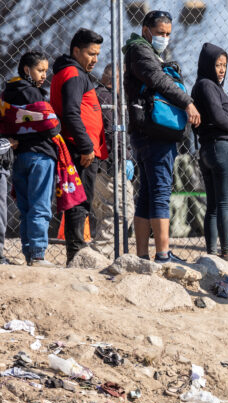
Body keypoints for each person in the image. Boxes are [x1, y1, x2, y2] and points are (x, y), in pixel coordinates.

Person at [123, 10, 201, 263]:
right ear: (145, 30)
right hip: (154, 133)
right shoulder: (140, 51)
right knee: (160, 191)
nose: (164, 38)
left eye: (168, 34)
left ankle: (142, 255)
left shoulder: (144, 52)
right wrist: (187, 102)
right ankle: (163, 254)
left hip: (147, 132)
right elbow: (157, 79)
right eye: (160, 33)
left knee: (147, 193)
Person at [2, 51, 85, 267]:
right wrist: (50, 120)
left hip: (19, 157)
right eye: (40, 70)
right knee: (40, 206)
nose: (44, 76)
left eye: (46, 71)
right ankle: (38, 255)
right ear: (26, 69)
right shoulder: (33, 93)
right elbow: (52, 125)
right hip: (41, 156)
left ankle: (29, 252)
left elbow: (9, 123)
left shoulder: (7, 95)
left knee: (25, 209)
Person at [50, 28, 108, 264]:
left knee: (81, 199)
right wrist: (86, 147)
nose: (95, 59)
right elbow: (71, 113)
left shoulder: (75, 72)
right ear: (76, 51)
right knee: (79, 201)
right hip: (79, 149)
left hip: (81, 147)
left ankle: (77, 250)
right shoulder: (73, 73)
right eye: (91, 54)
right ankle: (76, 253)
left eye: (97, 54)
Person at [191, 43, 228, 262]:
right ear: (207, 64)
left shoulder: (200, 85)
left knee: (212, 204)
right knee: (224, 203)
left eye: (224, 65)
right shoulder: (209, 86)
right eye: (217, 64)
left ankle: (212, 253)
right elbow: (217, 116)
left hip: (206, 149)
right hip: (222, 148)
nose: (222, 69)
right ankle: (227, 251)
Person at [92, 63, 135, 256]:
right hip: (110, 163)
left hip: (100, 163)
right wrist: (125, 157)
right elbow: (113, 132)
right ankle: (99, 253)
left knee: (106, 212)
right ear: (118, 79)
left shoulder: (99, 95)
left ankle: (105, 254)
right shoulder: (108, 99)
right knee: (123, 210)